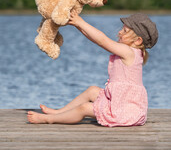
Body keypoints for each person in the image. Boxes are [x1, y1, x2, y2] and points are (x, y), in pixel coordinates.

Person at [27, 12, 158, 126]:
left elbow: (102, 40)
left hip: (123, 112)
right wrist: (78, 24)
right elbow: (95, 39)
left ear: (138, 41)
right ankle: (59, 112)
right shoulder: (133, 51)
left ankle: (49, 119)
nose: (119, 32)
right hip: (123, 105)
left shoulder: (128, 52)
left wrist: (81, 22)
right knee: (92, 91)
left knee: (84, 108)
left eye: (124, 31)